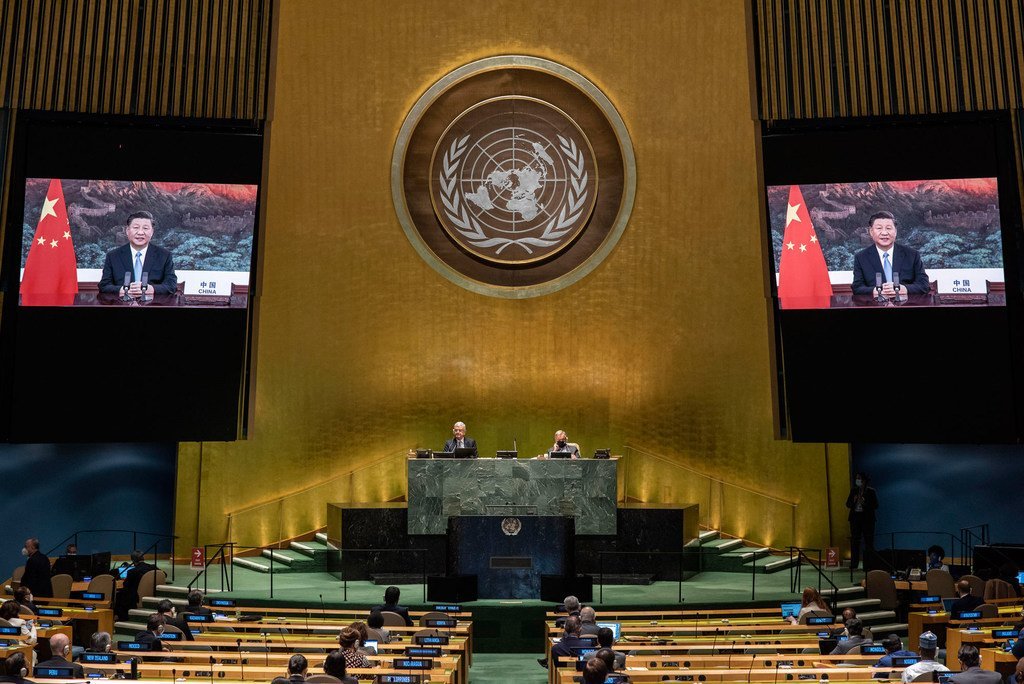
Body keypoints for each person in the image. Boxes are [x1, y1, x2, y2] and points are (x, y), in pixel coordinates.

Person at [851, 211, 930, 296]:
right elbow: (857, 287)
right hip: (875, 306)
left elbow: (924, 285)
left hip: (906, 305)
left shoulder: (912, 255)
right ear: (871, 232)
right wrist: (875, 291)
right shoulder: (861, 257)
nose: (884, 233)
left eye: (888, 228)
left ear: (895, 231)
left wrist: (905, 289)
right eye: (879, 228)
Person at [98, 211, 177, 296]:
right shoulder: (113, 256)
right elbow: (104, 285)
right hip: (122, 305)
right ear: (127, 230)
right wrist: (122, 290)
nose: (140, 232)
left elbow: (171, 285)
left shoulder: (164, 255)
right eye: (136, 227)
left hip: (153, 306)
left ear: (152, 232)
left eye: (145, 228)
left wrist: (152, 289)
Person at [846, 472, 878, 570]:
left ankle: (869, 564)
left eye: (859, 478)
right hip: (855, 519)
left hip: (867, 520)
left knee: (869, 542)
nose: (857, 480)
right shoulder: (854, 490)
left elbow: (876, 505)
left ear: (864, 480)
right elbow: (847, 504)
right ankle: (854, 564)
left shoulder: (871, 491)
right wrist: (854, 501)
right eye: (857, 478)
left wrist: (864, 503)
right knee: (855, 541)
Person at [117, 550, 157, 619]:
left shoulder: (132, 572)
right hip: (152, 593)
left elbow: (126, 586)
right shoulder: (153, 567)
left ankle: (121, 618)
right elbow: (164, 574)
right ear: (143, 558)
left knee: (119, 594)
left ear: (133, 560)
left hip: (136, 597)